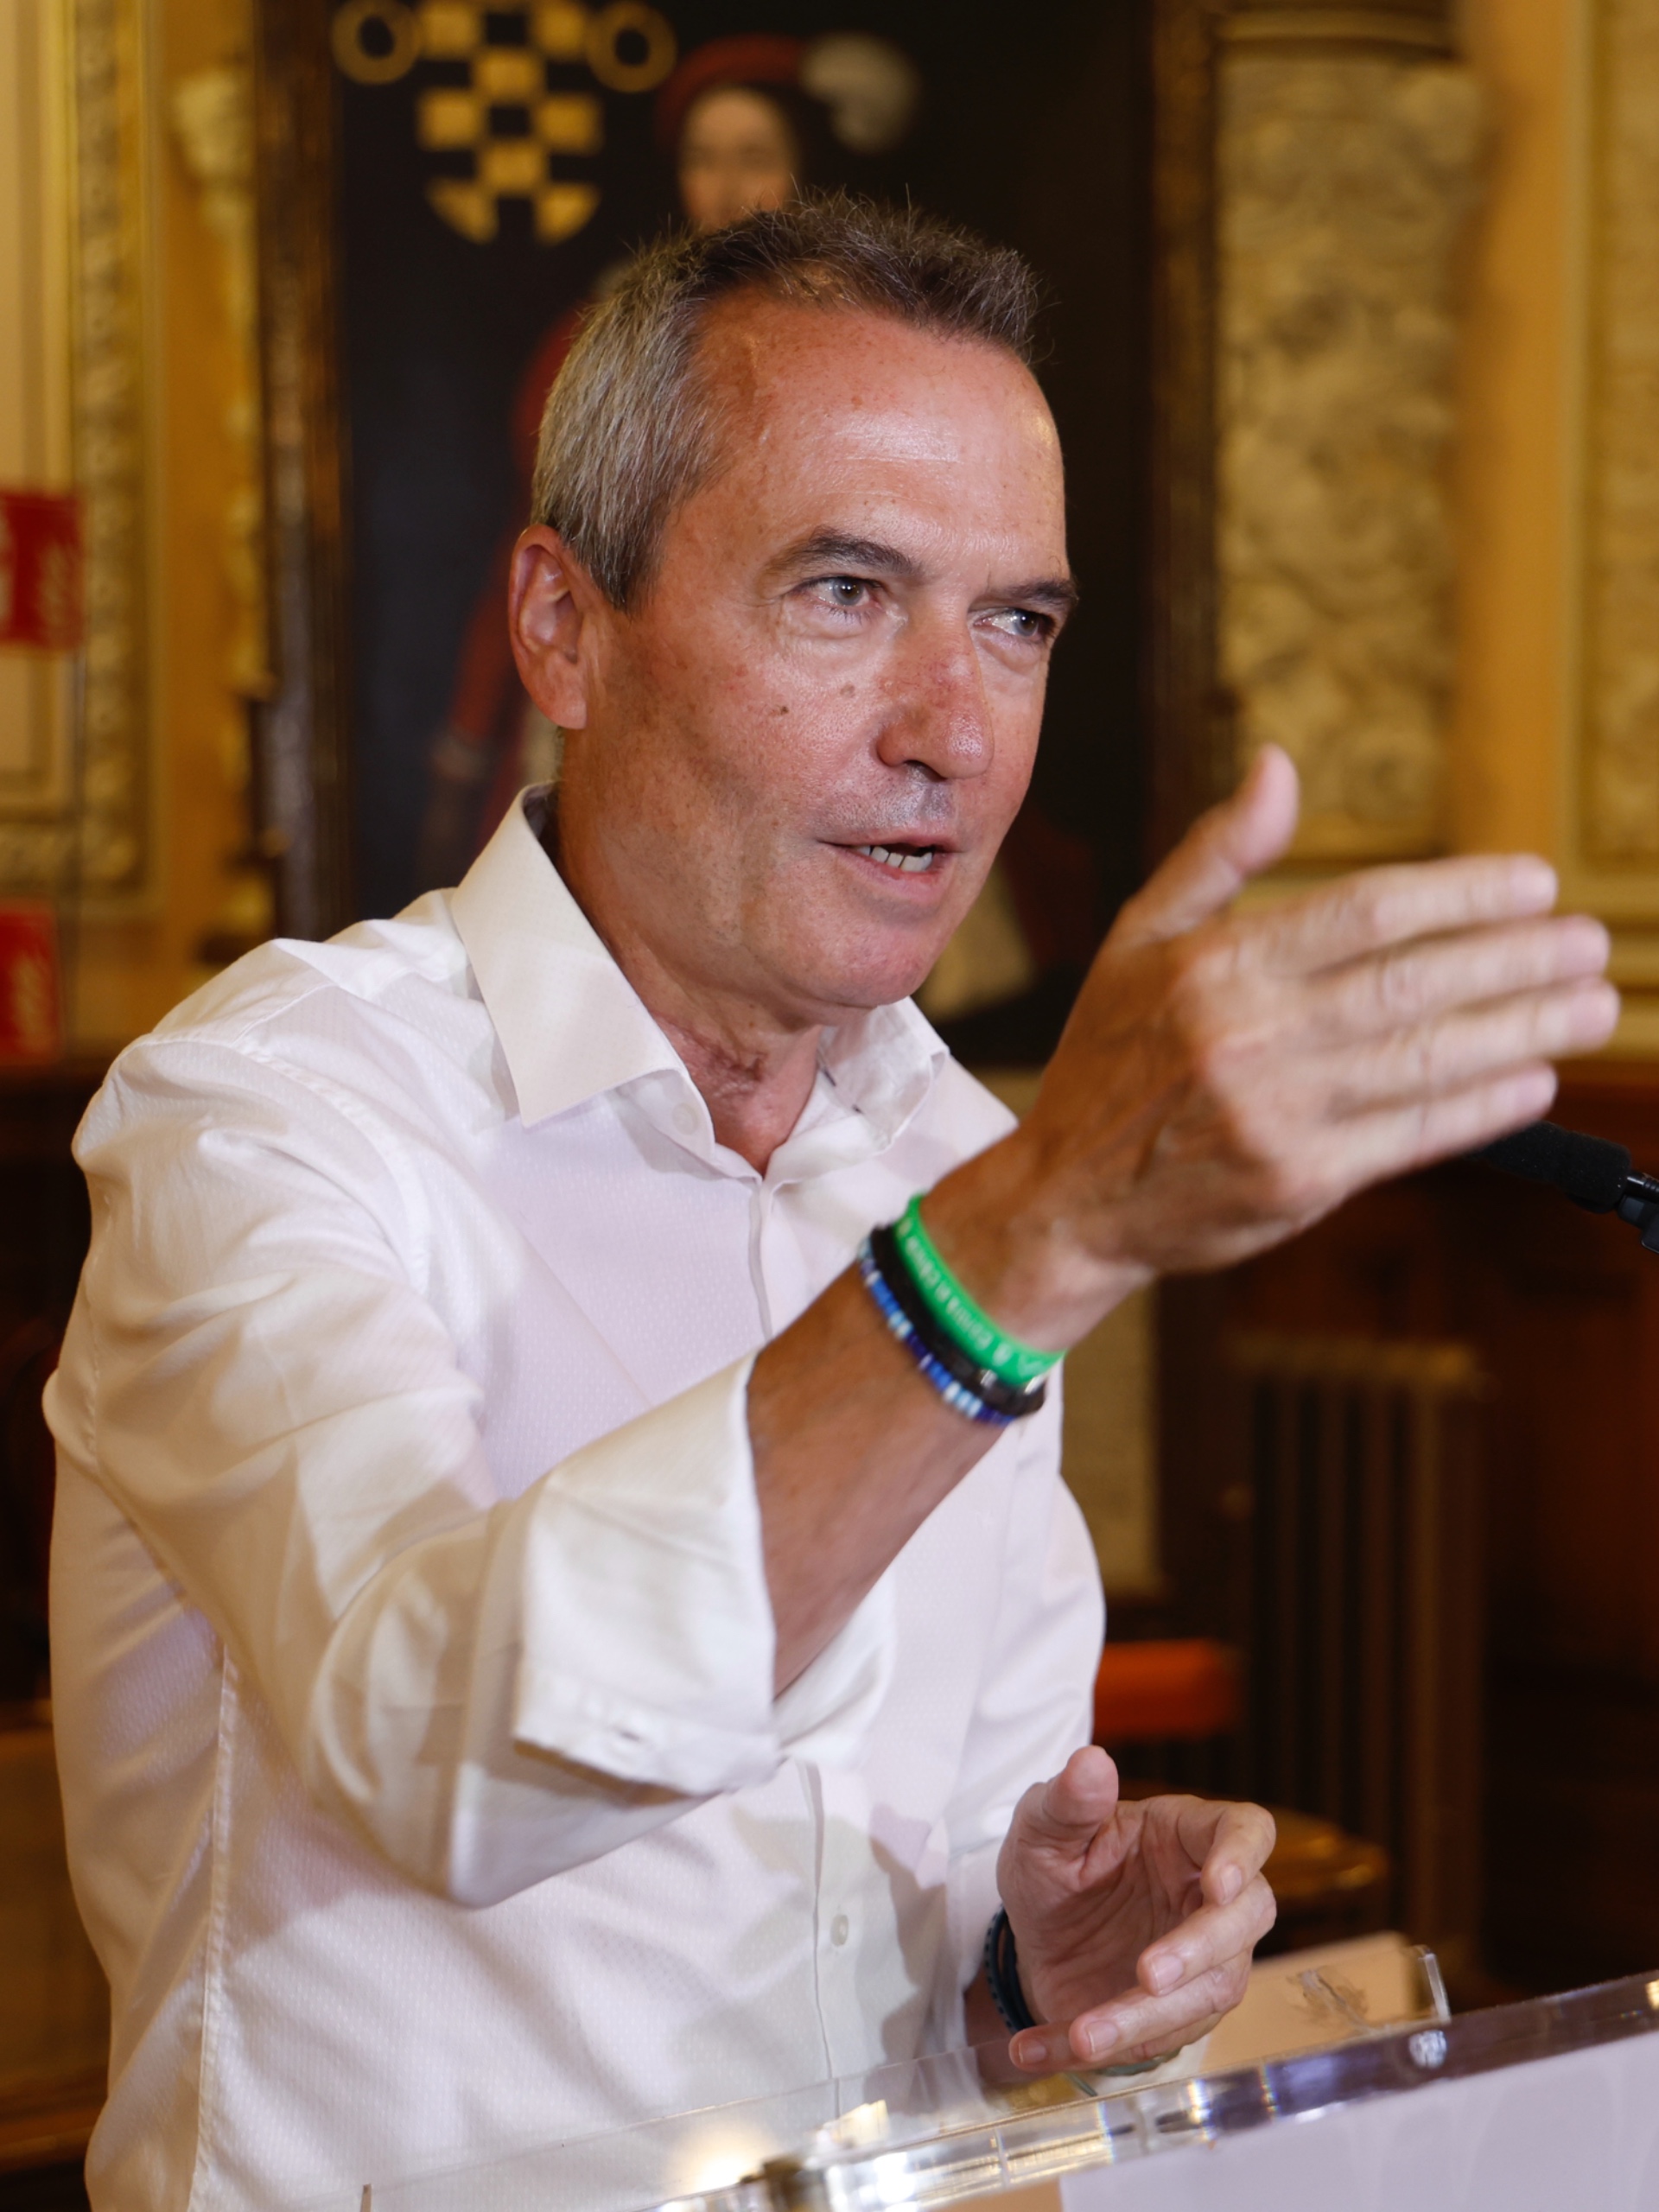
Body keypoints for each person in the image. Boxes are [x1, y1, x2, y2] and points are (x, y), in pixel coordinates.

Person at [47, 199, 1617, 2212]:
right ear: (563, 626)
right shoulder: (269, 1112)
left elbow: (906, 1897)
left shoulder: (952, 1155)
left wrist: (1024, 1963)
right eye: (848, 590)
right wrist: (1035, 1236)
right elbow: (441, 1744)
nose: (953, 729)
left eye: (1017, 623)